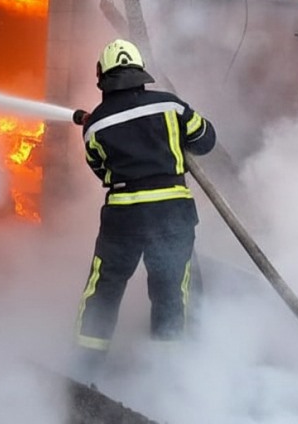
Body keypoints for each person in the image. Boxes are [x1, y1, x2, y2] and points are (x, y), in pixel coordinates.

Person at [70, 38, 216, 379]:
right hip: (173, 216)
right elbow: (206, 140)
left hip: (124, 218)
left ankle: (85, 368)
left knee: (103, 289)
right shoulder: (171, 106)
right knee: (170, 291)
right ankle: (168, 374)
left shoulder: (95, 126)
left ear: (103, 77)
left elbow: (103, 172)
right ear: (139, 72)